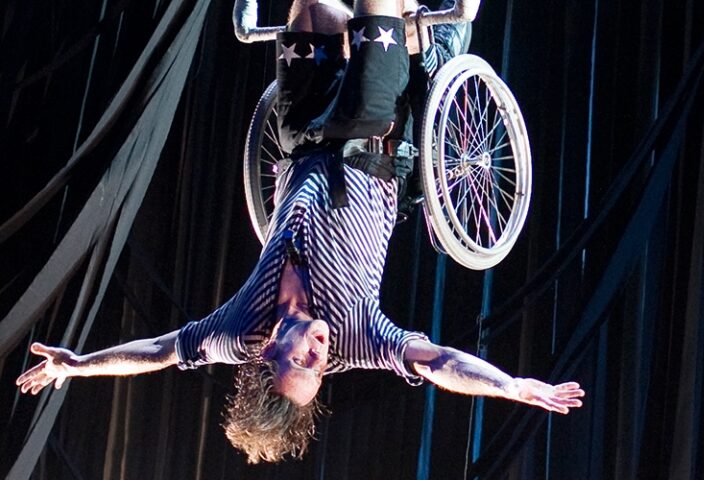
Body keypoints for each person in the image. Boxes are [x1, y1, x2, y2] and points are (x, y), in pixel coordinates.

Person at [15, 0, 580, 465]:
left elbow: (159, 352)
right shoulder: (358, 337)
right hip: (369, 132)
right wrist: (508, 386)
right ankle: (420, 38)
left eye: (302, 360)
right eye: (320, 368)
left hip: (300, 139)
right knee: (378, 8)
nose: (320, 352)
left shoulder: (238, 330)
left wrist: (79, 365)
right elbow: (437, 364)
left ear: (267, 353)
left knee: (312, 8)